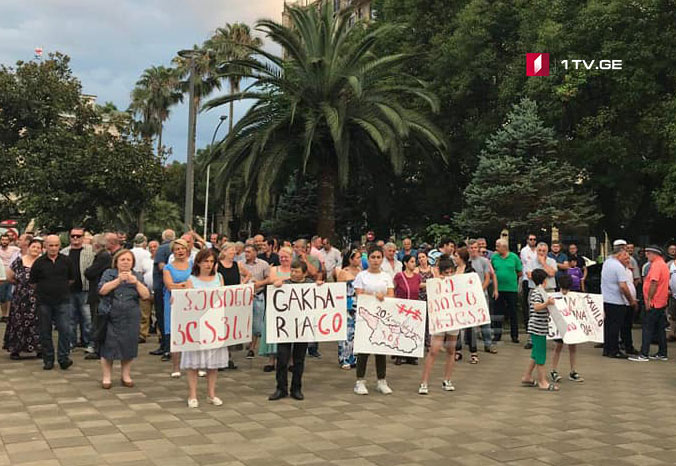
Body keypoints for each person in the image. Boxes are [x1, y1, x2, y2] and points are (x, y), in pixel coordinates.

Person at [180, 249, 228, 407]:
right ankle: (192, 394)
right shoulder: (191, 280)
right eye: (206, 261)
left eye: (211, 261)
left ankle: (211, 393)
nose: (209, 264)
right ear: (199, 262)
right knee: (193, 363)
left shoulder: (219, 277)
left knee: (213, 363)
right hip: (197, 324)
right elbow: (187, 303)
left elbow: (224, 298)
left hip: (214, 323)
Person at [269, 259, 322, 401]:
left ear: (304, 273)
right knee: (282, 359)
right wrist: (276, 285)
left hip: (302, 328)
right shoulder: (285, 284)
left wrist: (320, 286)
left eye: (296, 271)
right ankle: (281, 388)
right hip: (285, 328)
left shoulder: (310, 285)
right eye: (292, 270)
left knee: (299, 360)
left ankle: (296, 388)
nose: (293, 273)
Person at [98, 249, 150, 389]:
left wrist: (136, 283)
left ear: (132, 262)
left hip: (130, 315)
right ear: (116, 261)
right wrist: (118, 280)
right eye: (123, 260)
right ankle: (106, 377)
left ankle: (126, 375)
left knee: (128, 345)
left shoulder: (137, 275)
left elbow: (146, 295)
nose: (126, 262)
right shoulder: (109, 273)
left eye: (128, 260)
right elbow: (102, 290)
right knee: (108, 345)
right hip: (111, 315)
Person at [353, 245, 395, 395]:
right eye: (373, 257)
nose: (376, 260)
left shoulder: (386, 276)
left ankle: (381, 380)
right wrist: (373, 296)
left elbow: (391, 294)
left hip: (381, 317)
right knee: (364, 349)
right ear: (368, 258)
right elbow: (359, 294)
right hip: (364, 317)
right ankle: (360, 381)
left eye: (378, 257)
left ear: (381, 259)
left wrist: (383, 297)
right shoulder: (361, 275)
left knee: (380, 349)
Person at [30, 235, 75, 370]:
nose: (53, 248)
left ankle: (63, 358)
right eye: (51, 245)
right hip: (44, 301)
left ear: (59, 246)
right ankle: (48, 359)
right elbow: (33, 282)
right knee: (45, 331)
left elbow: (71, 279)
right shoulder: (39, 262)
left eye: (56, 245)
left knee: (65, 330)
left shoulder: (66, 261)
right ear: (45, 246)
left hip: (63, 300)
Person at [418, 257, 458, 395]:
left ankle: (447, 379)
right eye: (446, 272)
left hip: (454, 318)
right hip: (440, 318)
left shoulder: (458, 282)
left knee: (451, 350)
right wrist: (436, 280)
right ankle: (424, 382)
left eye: (451, 272)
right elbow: (424, 288)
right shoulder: (435, 282)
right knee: (434, 350)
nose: (448, 275)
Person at [2, 238, 43, 359]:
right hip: (21, 298)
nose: (35, 249)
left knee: (38, 322)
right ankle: (16, 349)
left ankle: (38, 348)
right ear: (28, 247)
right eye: (33, 247)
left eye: (38, 247)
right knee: (18, 322)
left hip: (38, 297)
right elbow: (9, 276)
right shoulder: (19, 261)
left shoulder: (42, 262)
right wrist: (20, 284)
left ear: (41, 250)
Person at [629, 245, 669, 362]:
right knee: (660, 328)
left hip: (654, 302)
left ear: (654, 254)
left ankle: (644, 354)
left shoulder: (656, 265)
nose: (646, 255)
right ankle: (662, 353)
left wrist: (649, 299)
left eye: (648, 253)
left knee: (647, 327)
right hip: (661, 301)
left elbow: (654, 283)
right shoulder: (663, 264)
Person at [520, 269, 558, 391]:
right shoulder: (537, 292)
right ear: (544, 280)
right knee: (541, 355)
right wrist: (547, 303)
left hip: (539, 327)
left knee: (535, 354)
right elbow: (536, 307)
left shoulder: (539, 291)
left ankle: (527, 376)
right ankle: (543, 382)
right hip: (538, 328)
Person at [216, 242, 252, 371]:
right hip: (221, 300)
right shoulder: (217, 266)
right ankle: (220, 357)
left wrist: (242, 284)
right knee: (221, 328)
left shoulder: (238, 265)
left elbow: (248, 274)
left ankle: (228, 357)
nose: (233, 255)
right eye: (231, 252)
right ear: (224, 252)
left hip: (234, 300)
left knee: (231, 329)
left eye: (234, 253)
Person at [260, 247, 293, 371]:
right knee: (273, 331)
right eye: (281, 257)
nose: (284, 259)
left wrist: (282, 281)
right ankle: (271, 360)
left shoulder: (294, 269)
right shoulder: (274, 269)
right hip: (275, 306)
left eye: (286, 257)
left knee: (290, 332)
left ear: (291, 257)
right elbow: (272, 280)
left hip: (291, 306)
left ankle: (291, 361)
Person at [601, 243, 637, 359]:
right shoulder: (618, 267)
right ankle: (614, 350)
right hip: (617, 301)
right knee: (615, 327)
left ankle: (607, 349)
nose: (627, 258)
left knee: (608, 325)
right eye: (625, 255)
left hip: (607, 299)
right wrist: (630, 300)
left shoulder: (607, 262)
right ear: (619, 254)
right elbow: (623, 286)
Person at [163, 239, 193, 376]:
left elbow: (196, 281)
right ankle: (176, 367)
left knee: (192, 331)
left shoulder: (193, 265)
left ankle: (194, 365)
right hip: (173, 301)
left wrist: (181, 285)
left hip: (191, 302)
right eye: (177, 249)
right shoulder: (168, 268)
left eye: (182, 248)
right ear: (173, 252)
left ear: (187, 250)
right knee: (176, 333)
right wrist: (183, 285)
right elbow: (169, 285)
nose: (180, 251)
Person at [549, 274, 584, 383]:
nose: (565, 291)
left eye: (567, 289)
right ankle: (553, 370)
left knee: (573, 347)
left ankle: (573, 370)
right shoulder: (554, 296)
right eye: (563, 289)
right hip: (559, 325)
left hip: (571, 325)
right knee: (558, 347)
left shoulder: (575, 296)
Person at [84, 234, 112, 360]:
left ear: (96, 245)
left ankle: (97, 348)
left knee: (97, 321)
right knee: (96, 320)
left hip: (98, 293)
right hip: (97, 292)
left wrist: (88, 271)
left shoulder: (103, 257)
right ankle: (97, 346)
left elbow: (90, 272)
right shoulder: (104, 256)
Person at [524, 242, 557, 349]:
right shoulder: (530, 262)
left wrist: (543, 264)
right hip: (535, 290)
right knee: (533, 314)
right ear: (536, 251)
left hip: (549, 290)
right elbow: (530, 275)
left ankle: (554, 336)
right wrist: (545, 272)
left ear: (547, 252)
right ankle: (531, 340)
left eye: (544, 251)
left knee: (551, 315)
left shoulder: (552, 261)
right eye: (539, 251)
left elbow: (552, 273)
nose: (541, 253)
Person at [490, 239, 523, 344]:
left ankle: (514, 336)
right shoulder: (494, 257)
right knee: (497, 312)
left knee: (513, 312)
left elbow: (519, 272)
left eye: (498, 246)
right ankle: (497, 335)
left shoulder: (514, 257)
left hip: (511, 289)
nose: (496, 248)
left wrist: (511, 279)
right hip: (498, 289)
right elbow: (492, 271)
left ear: (504, 247)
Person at [242, 244, 271, 359]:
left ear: (255, 253)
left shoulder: (263, 264)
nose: (246, 254)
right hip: (242, 297)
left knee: (256, 324)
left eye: (249, 252)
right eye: (245, 252)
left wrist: (259, 283)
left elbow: (269, 278)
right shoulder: (240, 264)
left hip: (257, 295)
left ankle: (252, 348)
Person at [468, 240, 497, 354]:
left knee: (485, 320)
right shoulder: (465, 261)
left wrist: (480, 290)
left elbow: (487, 278)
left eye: (475, 247)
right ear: (468, 249)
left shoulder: (484, 261)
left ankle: (488, 344)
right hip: (468, 296)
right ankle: (470, 343)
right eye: (471, 248)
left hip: (481, 294)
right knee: (469, 321)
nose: (473, 250)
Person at [393, 254, 422, 366]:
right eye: (412, 261)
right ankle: (399, 355)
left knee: (412, 331)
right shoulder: (399, 276)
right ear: (405, 263)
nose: (414, 264)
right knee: (401, 330)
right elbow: (393, 288)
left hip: (414, 308)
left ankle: (411, 355)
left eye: (414, 261)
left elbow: (420, 286)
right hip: (401, 308)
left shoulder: (417, 276)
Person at [150, 229, 175, 357]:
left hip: (161, 287)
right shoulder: (175, 248)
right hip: (173, 288)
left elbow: (160, 266)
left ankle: (165, 345)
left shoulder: (162, 248)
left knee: (162, 317)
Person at [337, 249, 361, 369]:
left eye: (360, 257)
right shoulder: (343, 271)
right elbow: (339, 289)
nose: (359, 260)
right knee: (346, 332)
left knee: (356, 332)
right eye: (356, 257)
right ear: (350, 259)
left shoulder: (361, 271)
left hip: (359, 302)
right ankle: (344, 358)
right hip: (347, 302)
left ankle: (354, 357)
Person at [131, 234, 153, 344]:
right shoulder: (147, 254)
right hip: (143, 281)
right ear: (144, 243)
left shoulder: (130, 252)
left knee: (142, 309)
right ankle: (145, 332)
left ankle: (141, 332)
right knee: (147, 310)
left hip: (132, 279)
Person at [0, 233, 20, 323]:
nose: (4, 241)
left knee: (9, 295)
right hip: (1, 276)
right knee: (2, 296)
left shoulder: (14, 249)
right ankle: (3, 314)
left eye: (6, 240)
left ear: (9, 241)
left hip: (11, 274)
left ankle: (8, 315)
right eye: (2, 240)